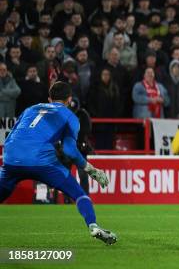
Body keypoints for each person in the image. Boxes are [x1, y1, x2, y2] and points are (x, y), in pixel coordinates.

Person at [0, 81, 116, 244]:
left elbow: (11, 136)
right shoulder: (70, 116)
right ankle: (93, 225)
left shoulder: (30, 109)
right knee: (79, 194)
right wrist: (91, 170)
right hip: (41, 162)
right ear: (69, 100)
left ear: (49, 98)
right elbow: (69, 150)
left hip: (11, 158)